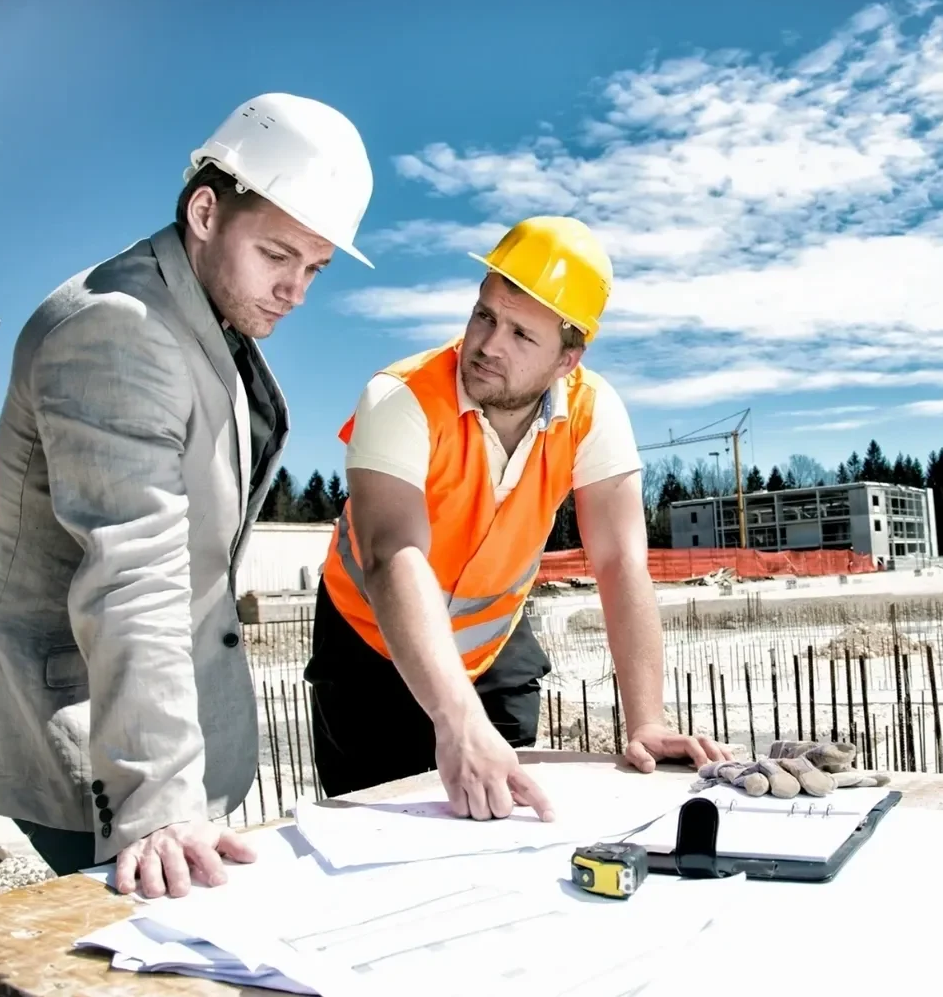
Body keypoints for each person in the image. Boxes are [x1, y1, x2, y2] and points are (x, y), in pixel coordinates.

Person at [0, 92, 375, 899]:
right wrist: (161, 805)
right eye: (279, 255)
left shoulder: (205, 317)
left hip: (155, 720)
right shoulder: (119, 328)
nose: (297, 290)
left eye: (315, 267)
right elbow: (132, 570)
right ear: (205, 211)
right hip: (89, 726)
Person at [304, 216, 728, 819]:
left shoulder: (592, 411)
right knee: (380, 829)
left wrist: (647, 720)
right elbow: (391, 553)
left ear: (567, 358)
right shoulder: (401, 398)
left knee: (502, 823)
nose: (488, 345)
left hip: (493, 651)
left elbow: (618, 559)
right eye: (484, 315)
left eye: (522, 336)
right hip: (370, 648)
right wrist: (458, 723)